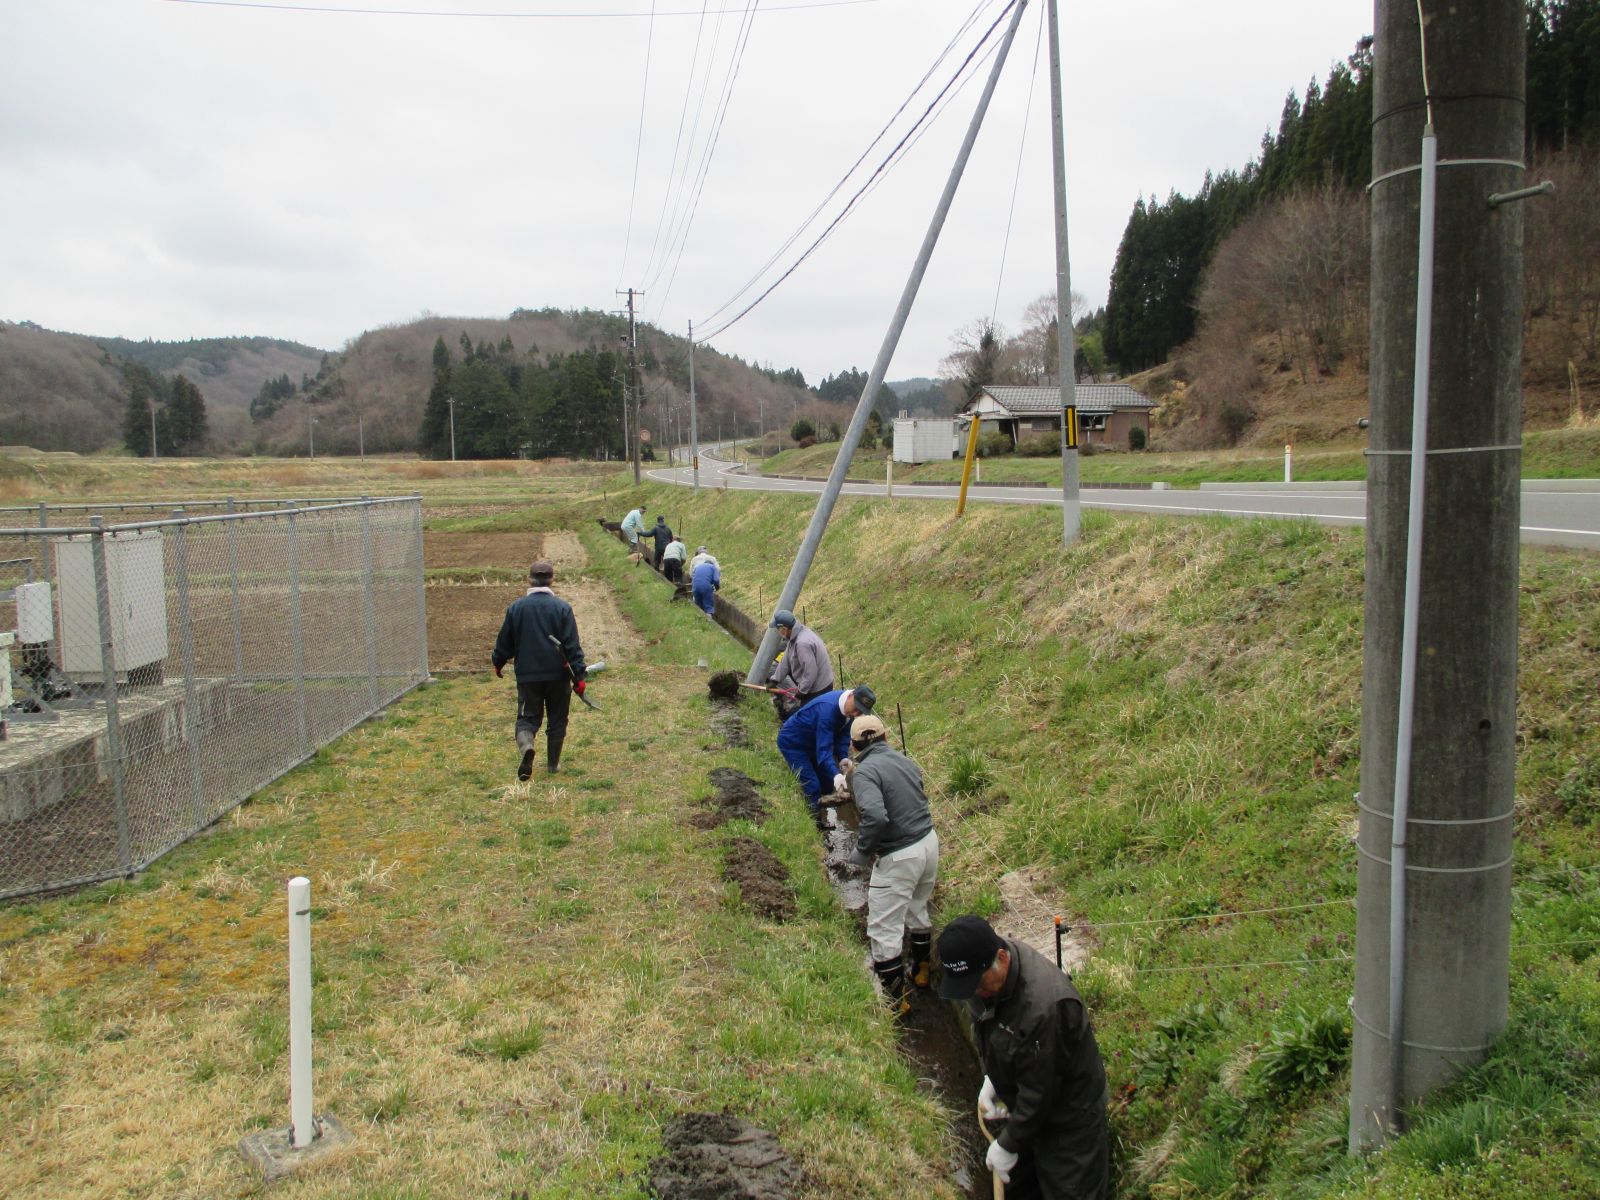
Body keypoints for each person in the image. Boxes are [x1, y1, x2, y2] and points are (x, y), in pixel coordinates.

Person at [937, 915, 1110, 1199]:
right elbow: (991, 1029)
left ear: (1002, 958)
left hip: (1068, 1122)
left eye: (977, 984)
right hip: (1026, 1108)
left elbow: (1041, 1091)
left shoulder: (1045, 1009)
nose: (975, 993)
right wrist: (992, 1078)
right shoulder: (986, 975)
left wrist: (1008, 1142)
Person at [846, 714, 937, 1016]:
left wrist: (861, 851)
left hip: (899, 854)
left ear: (854, 747)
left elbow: (875, 816)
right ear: (886, 738)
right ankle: (921, 971)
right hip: (928, 842)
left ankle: (895, 1001)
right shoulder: (905, 761)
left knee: (884, 927)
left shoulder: (865, 772)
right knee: (917, 906)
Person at [491, 560, 587, 779]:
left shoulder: (516, 608)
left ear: (529, 580)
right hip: (558, 676)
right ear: (552, 580)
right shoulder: (563, 608)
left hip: (528, 676)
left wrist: (498, 662)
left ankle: (527, 747)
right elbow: (572, 646)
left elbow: (504, 641)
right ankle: (553, 765)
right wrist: (579, 677)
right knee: (557, 719)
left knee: (527, 718)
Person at [775, 685, 875, 815]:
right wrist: (836, 773)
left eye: (860, 712)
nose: (856, 714)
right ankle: (815, 821)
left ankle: (820, 806)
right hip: (794, 743)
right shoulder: (827, 711)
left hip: (813, 742)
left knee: (828, 783)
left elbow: (843, 736)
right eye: (856, 708)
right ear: (851, 695)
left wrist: (843, 757)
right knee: (812, 786)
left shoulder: (847, 709)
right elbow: (824, 750)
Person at [766, 610, 834, 719]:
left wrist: (801, 691)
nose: (777, 632)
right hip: (814, 684)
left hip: (819, 688)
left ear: (783, 629)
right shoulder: (795, 635)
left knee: (808, 718)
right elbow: (785, 661)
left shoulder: (802, 643)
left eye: (777, 629)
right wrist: (774, 680)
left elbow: (810, 672)